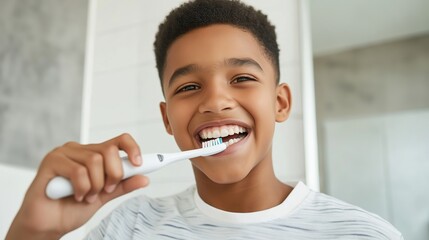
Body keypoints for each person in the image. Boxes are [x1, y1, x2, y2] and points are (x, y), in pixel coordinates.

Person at [7, 0, 403, 239]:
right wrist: (32, 233)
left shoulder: (362, 234)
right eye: (188, 87)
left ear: (280, 102)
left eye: (243, 78)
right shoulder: (126, 227)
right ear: (166, 118)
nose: (215, 101)